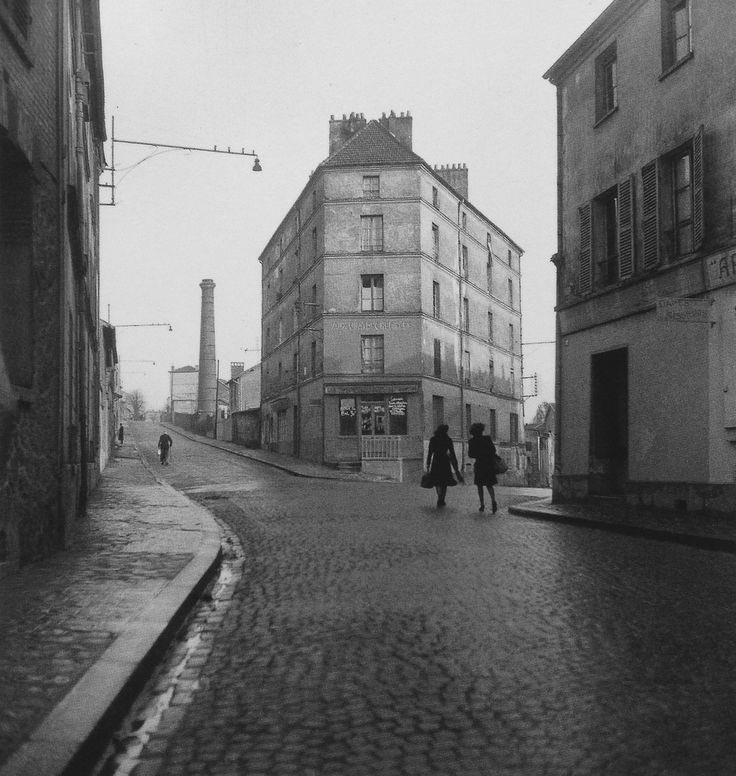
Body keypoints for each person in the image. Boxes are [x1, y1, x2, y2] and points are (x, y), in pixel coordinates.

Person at [425, 424, 463, 507]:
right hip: (445, 461)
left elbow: (430, 452)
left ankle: (439, 497)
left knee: (437, 481)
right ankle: (442, 498)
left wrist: (428, 463)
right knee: (444, 481)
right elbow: (452, 453)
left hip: (436, 461)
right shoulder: (448, 439)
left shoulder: (433, 439)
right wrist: (455, 467)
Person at [468, 422, 498, 513]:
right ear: (481, 431)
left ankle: (482, 505)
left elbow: (470, 454)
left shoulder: (472, 441)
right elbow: (493, 450)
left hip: (479, 465)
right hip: (488, 464)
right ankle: (493, 501)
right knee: (489, 484)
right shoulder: (487, 439)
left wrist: (478, 454)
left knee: (479, 485)